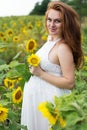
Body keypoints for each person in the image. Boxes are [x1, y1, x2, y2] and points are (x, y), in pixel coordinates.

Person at [21, 1, 83, 130]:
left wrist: (40, 73)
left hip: (50, 102)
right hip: (38, 100)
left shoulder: (63, 47)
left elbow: (69, 82)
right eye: (49, 20)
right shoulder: (50, 41)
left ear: (65, 24)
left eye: (57, 21)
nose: (51, 24)